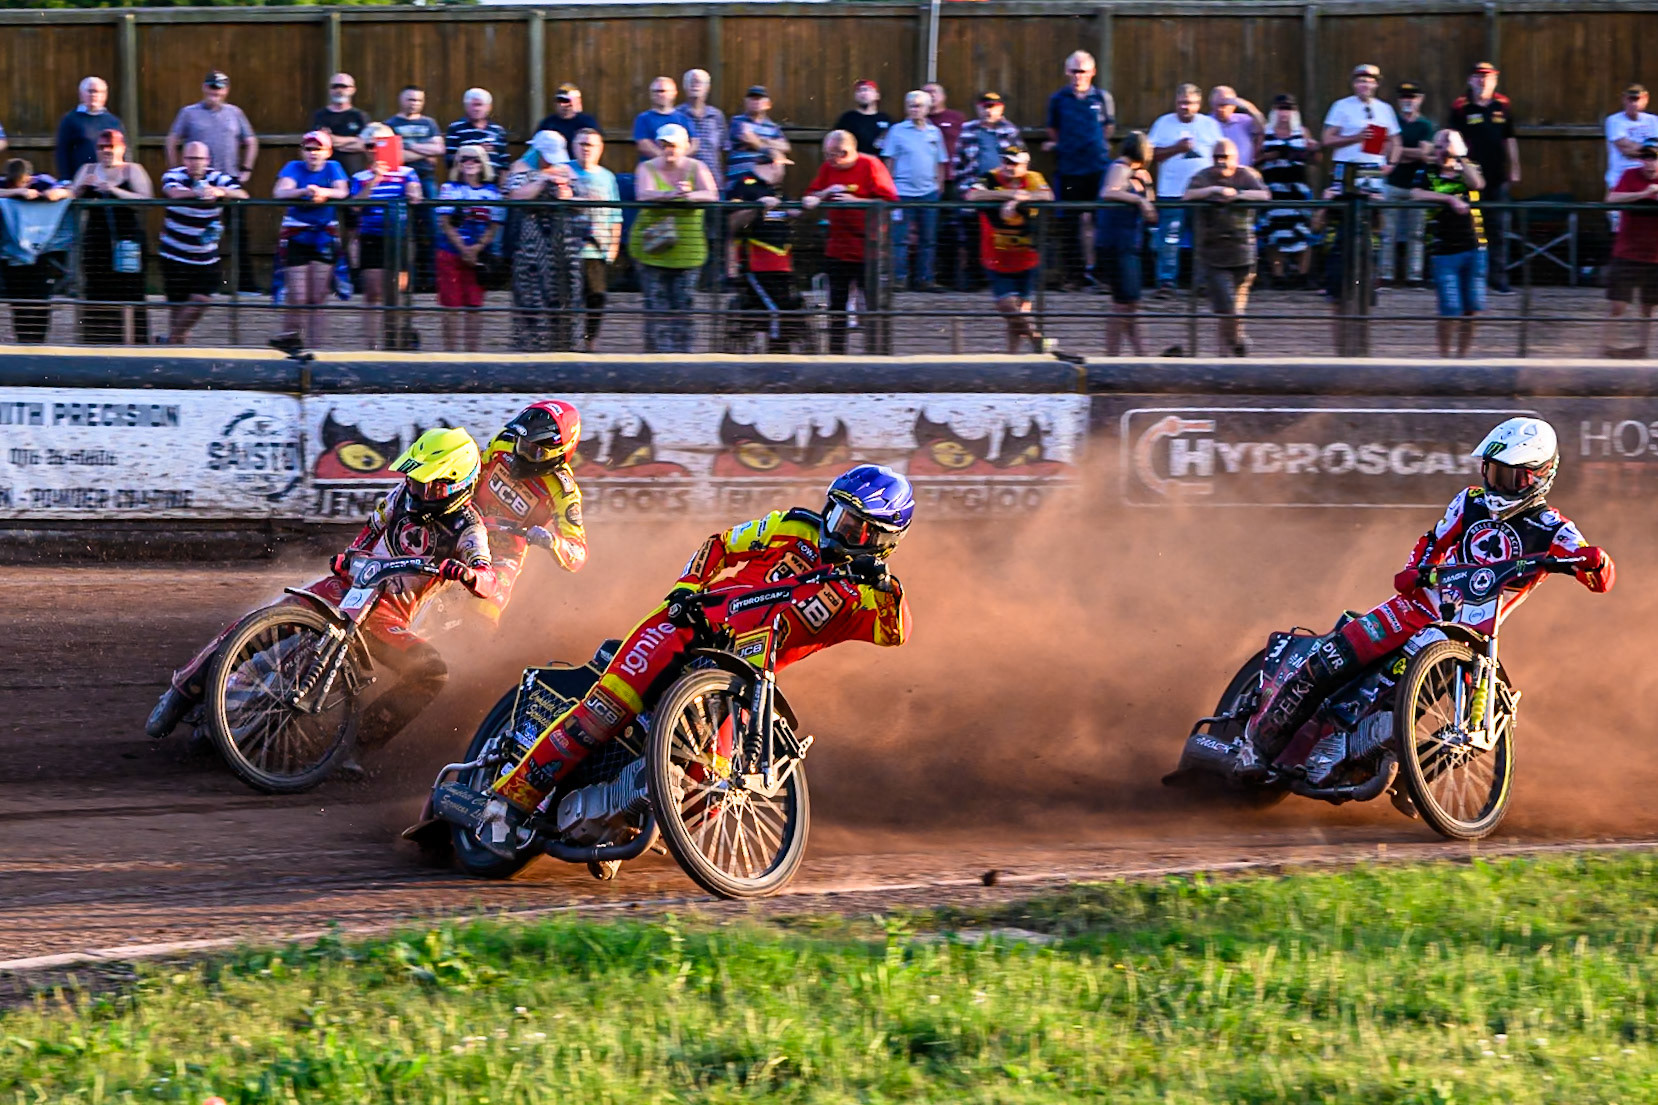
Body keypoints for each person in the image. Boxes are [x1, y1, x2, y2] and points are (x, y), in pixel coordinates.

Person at [476, 463, 914, 850]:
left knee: (711, 792)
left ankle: (624, 822)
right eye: (836, 513)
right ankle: (506, 805)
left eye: (854, 527)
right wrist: (686, 589)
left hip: (742, 683)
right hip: (687, 625)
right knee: (604, 712)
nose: (835, 529)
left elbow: (897, 633)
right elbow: (719, 545)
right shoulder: (795, 526)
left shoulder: (864, 599)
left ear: (883, 541)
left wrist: (885, 585)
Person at [1234, 417, 1614, 782]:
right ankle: (1256, 745)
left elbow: (1599, 578)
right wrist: (1415, 569)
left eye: (1507, 475)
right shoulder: (1470, 502)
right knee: (1333, 658)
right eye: (1491, 471)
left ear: (1540, 475)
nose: (1494, 483)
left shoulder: (1555, 529)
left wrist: (1595, 562)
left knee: (1438, 704)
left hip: (1469, 633)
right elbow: (1434, 540)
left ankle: (1395, 773)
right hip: (1418, 607)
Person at [145, 427, 499, 752]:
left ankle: (355, 746)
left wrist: (469, 575)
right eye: (414, 481)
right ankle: (182, 691)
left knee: (432, 671)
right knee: (263, 620)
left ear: (457, 484)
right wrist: (348, 557)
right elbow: (368, 533)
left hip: (387, 616)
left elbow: (488, 577)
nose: (418, 492)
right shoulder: (401, 495)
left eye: (428, 486)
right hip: (346, 587)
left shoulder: (469, 529)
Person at [471, 400, 589, 621]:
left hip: (504, 554)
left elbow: (578, 554)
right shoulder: (504, 442)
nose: (522, 453)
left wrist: (551, 541)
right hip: (466, 525)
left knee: (484, 615)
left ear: (559, 453)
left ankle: (471, 650)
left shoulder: (564, 491)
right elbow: (474, 473)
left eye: (534, 451)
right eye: (522, 443)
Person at [165, 71, 258, 294]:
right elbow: (172, 140)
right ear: (204, 87)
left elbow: (251, 141)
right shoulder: (188, 113)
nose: (215, 91)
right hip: (197, 182)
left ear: (226, 90)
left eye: (219, 87)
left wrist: (246, 169)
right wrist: (175, 169)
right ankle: (206, 286)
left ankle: (244, 285)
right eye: (211, 86)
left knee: (237, 233)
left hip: (227, 183)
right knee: (198, 234)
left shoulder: (235, 113)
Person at [806, 130, 898, 355]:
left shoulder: (871, 165)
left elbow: (890, 200)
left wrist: (858, 201)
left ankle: (877, 354)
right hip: (838, 248)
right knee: (836, 306)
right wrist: (822, 194)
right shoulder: (829, 169)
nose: (827, 160)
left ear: (845, 152)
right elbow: (810, 194)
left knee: (872, 307)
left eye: (831, 155)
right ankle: (836, 355)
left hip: (869, 250)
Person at [1182, 137, 1269, 356]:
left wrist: (1237, 195)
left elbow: (1264, 194)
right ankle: (1238, 345)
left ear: (1236, 158)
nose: (1221, 162)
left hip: (1243, 253)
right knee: (1227, 308)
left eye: (1226, 158)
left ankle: (1226, 355)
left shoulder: (1246, 175)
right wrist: (1214, 191)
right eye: (1217, 157)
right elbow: (1188, 195)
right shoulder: (1203, 177)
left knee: (1235, 310)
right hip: (1213, 254)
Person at [964, 143, 1053, 353]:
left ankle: (1012, 357)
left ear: (1025, 166)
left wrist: (1022, 198)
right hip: (996, 256)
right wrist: (1011, 196)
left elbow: (1047, 196)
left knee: (1019, 313)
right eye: (1005, 161)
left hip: (1026, 256)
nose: (1008, 166)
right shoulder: (990, 177)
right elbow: (972, 196)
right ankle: (1038, 340)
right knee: (1007, 307)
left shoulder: (1033, 178)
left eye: (1014, 163)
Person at [726, 150, 817, 353]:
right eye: (782, 166)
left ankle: (781, 356)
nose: (783, 171)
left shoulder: (778, 191)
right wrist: (756, 208)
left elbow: (791, 213)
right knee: (772, 311)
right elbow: (732, 223)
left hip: (782, 267)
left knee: (789, 310)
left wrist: (807, 205)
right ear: (774, 165)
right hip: (755, 266)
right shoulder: (744, 186)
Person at [158, 141, 247, 345]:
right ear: (184, 159)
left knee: (202, 299)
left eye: (199, 159)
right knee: (177, 307)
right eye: (190, 158)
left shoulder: (218, 178)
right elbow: (173, 193)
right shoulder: (174, 175)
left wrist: (219, 192)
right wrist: (199, 193)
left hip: (205, 255)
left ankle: (171, 340)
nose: (195, 163)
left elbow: (242, 194)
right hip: (174, 253)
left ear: (207, 160)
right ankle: (176, 352)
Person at [507, 133, 590, 352]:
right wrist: (543, 179)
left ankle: (566, 348)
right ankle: (531, 350)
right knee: (531, 300)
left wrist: (569, 196)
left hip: (564, 248)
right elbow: (515, 196)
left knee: (566, 299)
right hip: (531, 249)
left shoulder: (568, 170)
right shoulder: (520, 169)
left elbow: (585, 201)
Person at [71, 129, 153, 345]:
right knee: (96, 291)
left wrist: (114, 190)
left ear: (122, 148)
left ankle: (134, 344)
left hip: (128, 241)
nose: (106, 151)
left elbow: (146, 201)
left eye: (111, 146)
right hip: (96, 243)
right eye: (101, 147)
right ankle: (96, 344)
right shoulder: (87, 169)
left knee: (130, 291)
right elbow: (70, 198)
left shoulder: (132, 170)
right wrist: (82, 188)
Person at [1411, 129, 1487, 358]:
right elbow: (1416, 193)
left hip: (1475, 245)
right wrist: (1448, 198)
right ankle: (1444, 358)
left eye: (1448, 144)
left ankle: (1462, 357)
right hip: (1443, 249)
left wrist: (1461, 157)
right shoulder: (1428, 171)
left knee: (1472, 308)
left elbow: (1477, 184)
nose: (1444, 149)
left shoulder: (1468, 167)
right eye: (1440, 145)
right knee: (1449, 309)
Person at [270, 131, 349, 352]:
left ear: (328, 152)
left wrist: (323, 192)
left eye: (318, 149)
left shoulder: (333, 167)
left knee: (318, 297)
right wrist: (305, 191)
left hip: (324, 235)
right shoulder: (293, 167)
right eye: (309, 148)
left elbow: (342, 192)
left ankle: (317, 349)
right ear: (302, 151)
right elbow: (280, 192)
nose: (313, 153)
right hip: (297, 233)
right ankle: (291, 340)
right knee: (297, 295)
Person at [1045, 51, 1115, 291]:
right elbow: (1053, 130)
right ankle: (1073, 277)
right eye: (1074, 71)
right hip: (1069, 170)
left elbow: (1108, 128)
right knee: (1069, 223)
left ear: (1092, 72)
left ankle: (1102, 276)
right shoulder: (1058, 99)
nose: (1078, 76)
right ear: (1067, 72)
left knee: (1102, 222)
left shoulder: (1102, 98)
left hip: (1097, 169)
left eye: (1083, 71)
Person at [351, 123, 423, 350]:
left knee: (396, 293)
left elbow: (416, 195)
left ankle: (394, 342)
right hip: (372, 235)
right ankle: (370, 346)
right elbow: (354, 206)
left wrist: (412, 192)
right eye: (370, 145)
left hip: (398, 236)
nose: (375, 149)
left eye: (381, 144)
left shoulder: (407, 172)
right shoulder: (360, 176)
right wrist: (374, 180)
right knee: (372, 293)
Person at [1448, 62, 1519, 293]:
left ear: (1495, 80)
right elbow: (1453, 141)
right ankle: (1472, 279)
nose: (1482, 81)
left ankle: (1497, 278)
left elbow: (1510, 138)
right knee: (1473, 228)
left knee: (1497, 229)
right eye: (1478, 76)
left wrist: (1515, 167)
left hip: (1497, 177)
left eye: (1487, 77)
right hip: (1470, 178)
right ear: (1470, 80)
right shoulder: (1461, 106)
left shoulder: (1503, 104)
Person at [1148, 83, 1224, 295]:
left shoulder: (1210, 125)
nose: (1184, 107)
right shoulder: (1163, 123)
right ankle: (1166, 282)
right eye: (1181, 103)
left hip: (1203, 194)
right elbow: (1149, 156)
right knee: (1169, 241)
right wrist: (1177, 149)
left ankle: (1202, 283)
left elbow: (1221, 153)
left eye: (1189, 103)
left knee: (1205, 239)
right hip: (1172, 194)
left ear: (1198, 104)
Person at [434, 142, 504, 353]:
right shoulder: (448, 189)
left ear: (483, 164)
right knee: (451, 307)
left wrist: (477, 248)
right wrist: (464, 249)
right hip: (450, 252)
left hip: (478, 256)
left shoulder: (493, 193)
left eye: (475, 159)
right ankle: (451, 356)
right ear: (458, 163)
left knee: (474, 306)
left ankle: (472, 356)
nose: (470, 163)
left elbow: (495, 224)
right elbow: (444, 222)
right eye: (464, 159)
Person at [1095, 131, 1157, 355]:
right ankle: (1111, 356)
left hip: (1132, 243)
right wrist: (1138, 200)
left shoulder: (1137, 174)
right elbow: (1109, 192)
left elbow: (1152, 212)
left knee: (1132, 303)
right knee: (1121, 303)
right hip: (1116, 243)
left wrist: (1145, 188)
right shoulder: (1119, 168)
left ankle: (1142, 355)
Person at [954, 92, 1021, 291]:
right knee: (973, 237)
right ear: (978, 107)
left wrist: (1014, 190)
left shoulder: (1009, 130)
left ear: (1001, 108)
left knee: (1001, 237)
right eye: (985, 106)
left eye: (993, 106)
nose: (988, 110)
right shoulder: (967, 130)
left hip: (1002, 190)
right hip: (974, 189)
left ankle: (1000, 280)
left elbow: (1021, 160)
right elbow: (957, 163)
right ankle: (975, 281)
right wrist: (964, 189)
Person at [884, 90, 949, 292]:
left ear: (928, 109)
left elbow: (941, 161)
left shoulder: (934, 132)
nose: (915, 109)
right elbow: (889, 161)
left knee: (928, 239)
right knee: (899, 239)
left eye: (919, 105)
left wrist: (940, 186)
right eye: (911, 105)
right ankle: (899, 279)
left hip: (929, 192)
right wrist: (888, 189)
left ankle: (925, 279)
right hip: (902, 192)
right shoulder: (897, 131)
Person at [0, 160, 70, 344]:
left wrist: (55, 193)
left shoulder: (43, 180)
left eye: (22, 183)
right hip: (12, 254)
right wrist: (16, 192)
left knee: (40, 300)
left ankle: (39, 342)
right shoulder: (5, 184)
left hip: (41, 252)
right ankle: (23, 341)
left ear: (30, 179)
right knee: (18, 302)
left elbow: (69, 189)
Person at [385, 85, 447, 293]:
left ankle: (429, 281)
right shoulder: (391, 124)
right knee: (401, 231)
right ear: (400, 100)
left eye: (418, 100)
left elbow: (439, 149)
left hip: (426, 179)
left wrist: (407, 146)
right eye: (410, 99)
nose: (414, 103)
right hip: (399, 181)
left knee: (431, 228)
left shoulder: (429, 123)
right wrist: (424, 151)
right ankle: (405, 284)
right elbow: (395, 157)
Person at [1255, 94, 1319, 289]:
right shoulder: (1265, 133)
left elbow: (1316, 160)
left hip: (1297, 187)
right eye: (1281, 108)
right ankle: (1278, 275)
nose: (1284, 113)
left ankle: (1302, 274)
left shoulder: (1302, 131)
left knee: (1302, 230)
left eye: (1288, 109)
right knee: (1274, 231)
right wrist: (1270, 156)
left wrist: (1312, 150)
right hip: (1274, 187)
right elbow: (1253, 160)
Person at [1603, 140, 1658, 359]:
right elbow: (1611, 199)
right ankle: (1605, 348)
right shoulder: (1629, 176)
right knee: (1618, 305)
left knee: (1648, 307)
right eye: (1645, 157)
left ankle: (1642, 348)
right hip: (1627, 253)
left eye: (1654, 157)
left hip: (1655, 256)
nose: (1649, 162)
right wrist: (1643, 194)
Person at [570, 129, 621, 353]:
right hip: (569, 249)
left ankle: (591, 343)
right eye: (582, 144)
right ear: (574, 147)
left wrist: (614, 245)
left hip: (597, 249)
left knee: (596, 298)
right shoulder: (564, 171)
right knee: (569, 299)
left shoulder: (607, 177)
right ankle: (566, 343)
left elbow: (616, 215)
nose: (586, 149)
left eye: (591, 145)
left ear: (600, 149)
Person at [1381, 82, 1435, 286]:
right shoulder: (1390, 123)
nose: (1408, 101)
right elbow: (1384, 151)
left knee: (1416, 233)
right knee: (1388, 233)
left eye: (1412, 97)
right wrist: (1403, 152)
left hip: (1416, 187)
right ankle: (1386, 275)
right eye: (1404, 97)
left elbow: (1424, 153)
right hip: (1392, 183)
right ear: (1398, 100)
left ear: (1420, 99)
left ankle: (1414, 276)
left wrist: (1398, 150)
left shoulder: (1425, 125)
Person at [1321, 63, 1400, 190]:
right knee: (1340, 203)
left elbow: (1395, 140)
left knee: (1373, 202)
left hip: (1373, 165)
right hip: (1346, 164)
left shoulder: (1385, 108)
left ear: (1376, 84)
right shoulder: (1341, 105)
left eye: (1370, 82)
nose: (1365, 85)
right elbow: (1327, 140)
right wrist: (1356, 138)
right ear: (1354, 84)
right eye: (1361, 81)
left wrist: (1391, 163)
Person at [1605, 85, 1657, 231]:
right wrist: (1651, 150)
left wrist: (1644, 151)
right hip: (1621, 178)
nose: (1633, 104)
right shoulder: (1614, 121)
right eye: (1630, 99)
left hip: (1650, 177)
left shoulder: (1654, 121)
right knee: (1619, 225)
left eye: (1637, 99)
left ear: (1646, 99)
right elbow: (1626, 148)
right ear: (1623, 100)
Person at [56, 76, 124, 184]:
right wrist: (66, 179)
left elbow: (124, 151)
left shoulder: (114, 121)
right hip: (80, 181)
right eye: (90, 91)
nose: (94, 95)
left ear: (105, 95)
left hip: (109, 182)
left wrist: (124, 177)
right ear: (81, 94)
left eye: (99, 92)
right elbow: (63, 152)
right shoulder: (70, 119)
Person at [727, 86, 789, 184]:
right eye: (752, 98)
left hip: (765, 181)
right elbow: (749, 138)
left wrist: (762, 140)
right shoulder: (738, 121)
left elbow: (785, 147)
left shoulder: (773, 127)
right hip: (740, 181)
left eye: (759, 98)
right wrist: (774, 152)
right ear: (745, 102)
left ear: (768, 104)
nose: (756, 101)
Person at [312, 73, 369, 178]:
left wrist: (333, 141)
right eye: (335, 86)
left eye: (344, 86)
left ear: (353, 90)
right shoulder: (320, 115)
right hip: (327, 174)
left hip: (354, 173)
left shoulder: (360, 116)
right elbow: (319, 143)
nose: (339, 90)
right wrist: (354, 139)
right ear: (330, 90)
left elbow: (364, 145)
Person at [679, 68, 729, 185]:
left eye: (699, 82)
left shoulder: (717, 116)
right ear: (685, 87)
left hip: (714, 180)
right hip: (684, 181)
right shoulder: (676, 115)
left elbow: (725, 149)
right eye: (691, 81)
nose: (695, 85)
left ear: (707, 87)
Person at [446, 89, 510, 177]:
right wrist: (477, 151)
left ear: (489, 107)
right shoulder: (456, 128)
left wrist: (503, 185)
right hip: (464, 184)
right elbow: (449, 160)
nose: (476, 109)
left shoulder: (498, 130)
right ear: (466, 107)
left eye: (480, 105)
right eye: (473, 105)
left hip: (493, 185)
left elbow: (504, 163)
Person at [633, 76, 695, 161]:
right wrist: (665, 159)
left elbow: (695, 144)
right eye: (655, 92)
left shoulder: (684, 118)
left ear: (674, 93)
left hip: (680, 170)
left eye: (663, 91)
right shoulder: (643, 118)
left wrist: (677, 158)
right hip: (651, 170)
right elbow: (643, 144)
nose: (659, 94)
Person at [1208, 85, 1264, 167]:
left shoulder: (1244, 120)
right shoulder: (1206, 123)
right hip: (1216, 172)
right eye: (1217, 105)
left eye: (1224, 105)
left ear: (1234, 105)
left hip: (1243, 172)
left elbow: (1262, 127)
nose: (1220, 109)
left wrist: (1247, 106)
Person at [834, 79, 892, 158]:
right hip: (855, 165)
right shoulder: (847, 119)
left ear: (877, 95)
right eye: (859, 91)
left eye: (867, 90)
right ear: (855, 96)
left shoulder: (886, 119)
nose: (863, 93)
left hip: (880, 166)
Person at [534, 83, 601, 149]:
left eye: (567, 101)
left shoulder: (587, 123)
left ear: (577, 102)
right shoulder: (547, 123)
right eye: (559, 101)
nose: (563, 105)